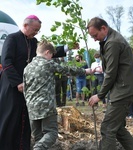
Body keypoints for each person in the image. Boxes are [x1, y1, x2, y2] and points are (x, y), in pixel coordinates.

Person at [0, 15, 78, 150]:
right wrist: (18, 83)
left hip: (28, 87)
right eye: (35, 29)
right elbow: (6, 62)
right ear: (25, 26)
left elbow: (46, 52)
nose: (36, 33)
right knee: (10, 118)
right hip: (11, 86)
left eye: (38, 30)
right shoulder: (12, 38)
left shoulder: (33, 41)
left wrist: (66, 47)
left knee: (25, 120)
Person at [87, 17, 133, 150]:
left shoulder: (113, 42)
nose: (95, 39)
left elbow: (111, 73)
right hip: (125, 88)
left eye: (95, 35)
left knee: (107, 128)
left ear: (103, 28)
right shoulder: (110, 39)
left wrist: (100, 95)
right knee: (117, 127)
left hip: (123, 90)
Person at [23, 40, 91, 149]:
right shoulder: (47, 63)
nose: (52, 58)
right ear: (47, 52)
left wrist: (29, 103)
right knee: (51, 133)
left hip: (31, 107)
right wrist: (85, 71)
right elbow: (67, 70)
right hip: (46, 106)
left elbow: (25, 89)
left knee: (38, 137)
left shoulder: (27, 68)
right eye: (52, 55)